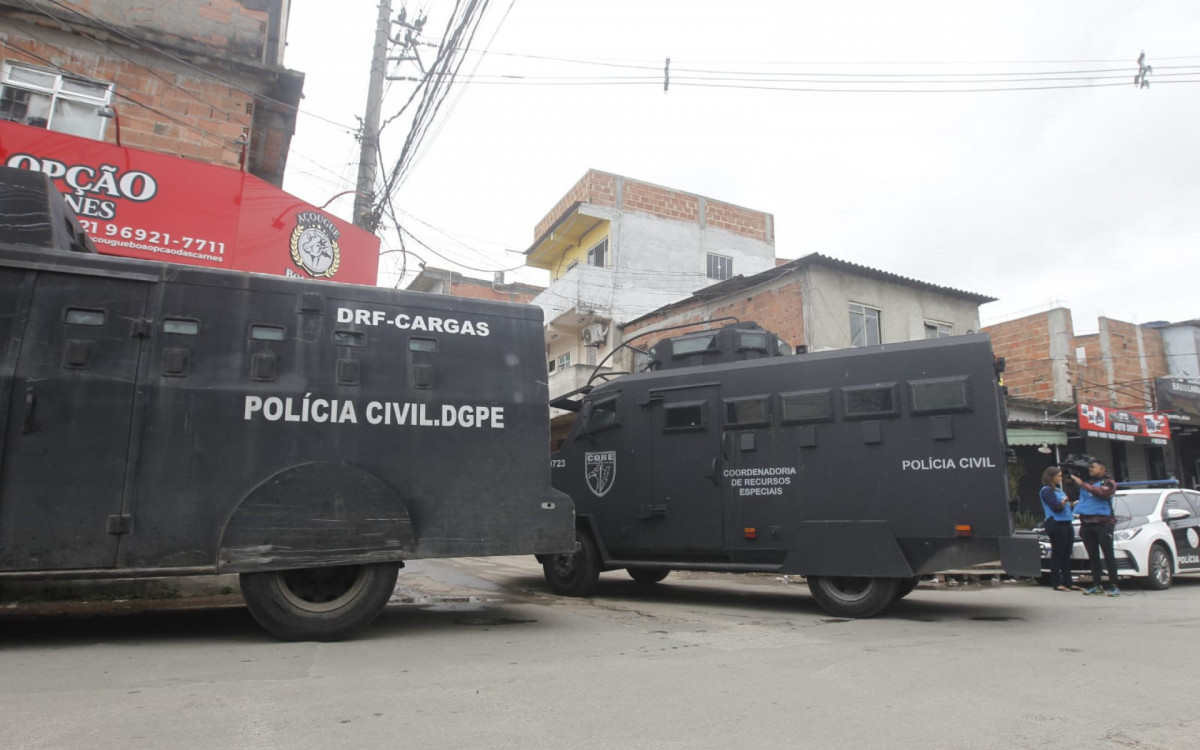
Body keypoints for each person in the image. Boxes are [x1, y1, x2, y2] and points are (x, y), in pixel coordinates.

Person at [1065, 459, 1120, 596]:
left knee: (1108, 555)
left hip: (1104, 524)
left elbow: (1103, 493)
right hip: (1086, 523)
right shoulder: (1086, 483)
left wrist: (1082, 484)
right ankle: (1097, 585)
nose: (1090, 469)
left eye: (1094, 467)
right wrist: (1070, 483)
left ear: (1102, 469)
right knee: (1093, 556)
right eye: (1089, 467)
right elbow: (1072, 497)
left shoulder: (1107, 482)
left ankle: (1114, 585)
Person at [1039, 466, 1080, 592]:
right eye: (1058, 476)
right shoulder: (1046, 490)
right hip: (1056, 522)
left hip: (1067, 522)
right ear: (1051, 477)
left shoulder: (1058, 490)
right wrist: (1064, 501)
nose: (1060, 478)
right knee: (1058, 553)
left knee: (1067, 553)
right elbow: (1055, 506)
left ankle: (1068, 581)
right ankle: (1056, 582)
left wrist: (1071, 502)